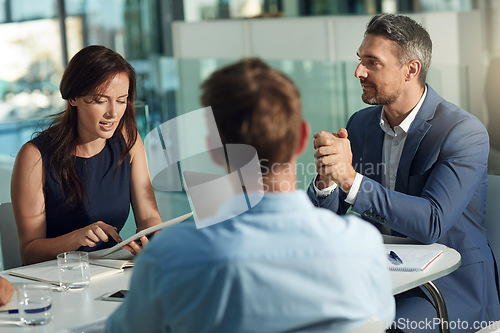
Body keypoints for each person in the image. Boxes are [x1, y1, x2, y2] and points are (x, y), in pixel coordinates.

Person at [106, 58, 395, 332]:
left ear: (214, 149)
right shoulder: (360, 245)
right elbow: (379, 318)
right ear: (303, 137)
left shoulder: (170, 259)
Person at [309, 13, 500, 332]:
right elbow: (327, 219)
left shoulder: (463, 132)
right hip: (378, 276)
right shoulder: (361, 124)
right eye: (360, 59)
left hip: (446, 286)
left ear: (411, 69)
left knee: (388, 328)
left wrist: (350, 180)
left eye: (372, 62)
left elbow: (431, 222)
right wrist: (327, 181)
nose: (359, 71)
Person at [11, 45, 162, 265]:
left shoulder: (128, 140)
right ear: (73, 98)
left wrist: (151, 241)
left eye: (121, 100)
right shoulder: (34, 156)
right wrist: (76, 238)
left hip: (110, 271)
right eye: (101, 100)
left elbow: (149, 216)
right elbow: (29, 252)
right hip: (59, 279)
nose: (113, 113)